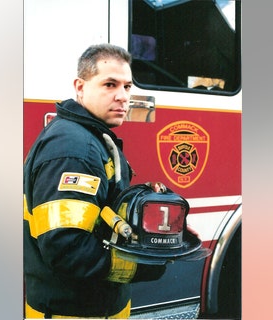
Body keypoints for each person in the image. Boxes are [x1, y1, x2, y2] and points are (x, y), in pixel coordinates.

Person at [23, 43, 167, 318]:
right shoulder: (75, 149)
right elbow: (67, 249)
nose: (123, 97)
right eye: (110, 85)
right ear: (80, 87)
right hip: (77, 311)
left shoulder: (90, 137)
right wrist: (146, 263)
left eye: (127, 87)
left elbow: (99, 214)